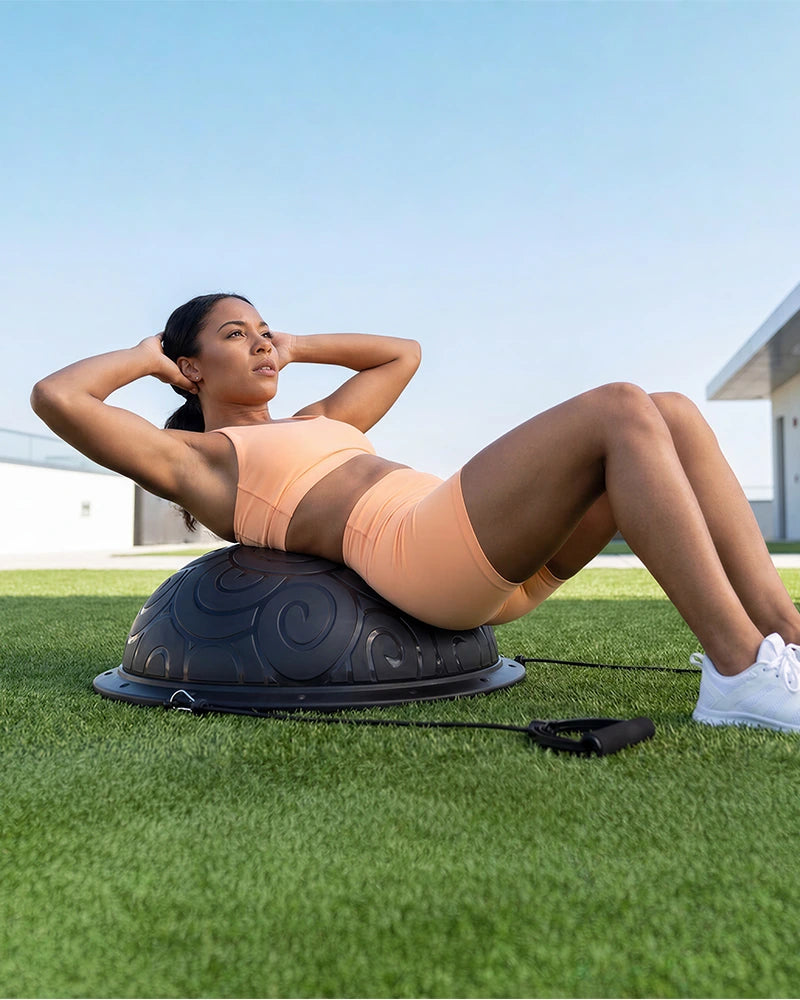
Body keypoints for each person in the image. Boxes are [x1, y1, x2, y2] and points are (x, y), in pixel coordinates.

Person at [31, 292, 800, 733]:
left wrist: (295, 343)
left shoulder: (318, 417)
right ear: (192, 366)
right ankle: (736, 671)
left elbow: (403, 352)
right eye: (239, 336)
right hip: (426, 559)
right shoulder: (202, 464)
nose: (262, 343)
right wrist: (148, 354)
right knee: (621, 408)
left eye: (264, 330)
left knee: (670, 410)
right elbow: (59, 398)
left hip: (484, 547)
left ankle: (785, 638)